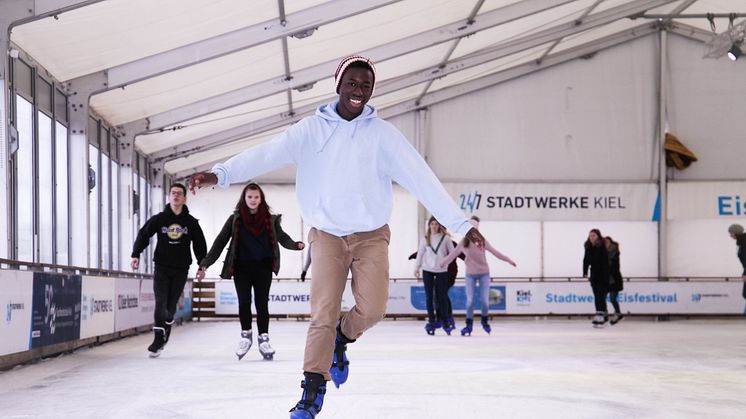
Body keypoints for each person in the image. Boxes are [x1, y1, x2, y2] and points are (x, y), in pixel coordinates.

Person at [187, 55, 484, 419]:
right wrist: (221, 174)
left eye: (365, 85)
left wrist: (462, 224)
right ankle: (311, 393)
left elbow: (422, 179)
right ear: (338, 85)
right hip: (326, 235)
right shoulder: (309, 130)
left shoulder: (384, 136)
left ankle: (342, 337)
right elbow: (265, 154)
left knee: (373, 309)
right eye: (352, 83)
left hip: (371, 235)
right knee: (322, 313)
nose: (358, 91)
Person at [196, 183, 304, 361]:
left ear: (261, 199)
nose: (253, 200)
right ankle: (246, 335)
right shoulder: (235, 220)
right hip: (241, 268)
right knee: (244, 302)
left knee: (262, 304)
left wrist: (295, 245)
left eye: (256, 197)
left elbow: (282, 237)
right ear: (244, 199)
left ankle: (264, 339)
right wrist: (205, 264)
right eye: (250, 197)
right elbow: (220, 241)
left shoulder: (270, 220)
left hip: (263, 267)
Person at [131, 183, 207, 357]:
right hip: (162, 267)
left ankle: (166, 328)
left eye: (179, 194)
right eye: (173, 193)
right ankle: (158, 339)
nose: (176, 196)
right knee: (160, 302)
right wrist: (135, 254)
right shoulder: (159, 219)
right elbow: (144, 235)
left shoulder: (191, 222)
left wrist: (202, 266)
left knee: (170, 307)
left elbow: (200, 245)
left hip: (181, 269)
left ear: (185, 198)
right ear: (169, 197)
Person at [439, 216, 516, 336]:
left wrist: (508, 260)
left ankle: (484, 321)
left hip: (484, 274)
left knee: (485, 301)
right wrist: (443, 262)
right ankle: (468, 325)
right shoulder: (463, 243)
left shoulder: (482, 241)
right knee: (470, 301)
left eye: (475, 228)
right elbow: (452, 255)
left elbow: (496, 253)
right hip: (470, 275)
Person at [414, 217, 456, 335]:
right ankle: (431, 320)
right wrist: (416, 268)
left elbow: (452, 254)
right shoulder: (425, 238)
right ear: (429, 225)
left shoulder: (446, 239)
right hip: (427, 270)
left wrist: (445, 262)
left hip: (442, 271)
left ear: (439, 225)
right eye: (432, 224)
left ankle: (445, 321)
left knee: (441, 297)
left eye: (436, 224)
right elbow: (420, 254)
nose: (434, 226)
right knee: (429, 297)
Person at [408, 240, 463, 330]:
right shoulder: (432, 240)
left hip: (450, 272)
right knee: (437, 294)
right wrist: (415, 255)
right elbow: (426, 250)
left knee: (441, 294)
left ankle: (447, 318)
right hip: (438, 272)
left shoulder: (450, 242)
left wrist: (472, 261)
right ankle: (441, 318)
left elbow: (460, 253)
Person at [583, 228, 609, 327]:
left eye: (593, 235)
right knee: (596, 295)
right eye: (590, 236)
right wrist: (585, 272)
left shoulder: (601, 247)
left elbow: (605, 263)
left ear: (598, 236)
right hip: (594, 275)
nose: (591, 237)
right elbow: (585, 260)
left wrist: (606, 277)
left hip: (602, 275)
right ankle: (601, 315)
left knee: (600, 296)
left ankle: (601, 316)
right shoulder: (588, 247)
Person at [604, 236, 624, 325]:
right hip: (605, 280)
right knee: (602, 298)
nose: (606, 244)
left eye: (608, 242)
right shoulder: (602, 253)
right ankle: (605, 314)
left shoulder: (615, 253)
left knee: (612, 298)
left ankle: (618, 313)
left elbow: (614, 267)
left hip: (614, 280)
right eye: (605, 242)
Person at [728, 224, 746, 302]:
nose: (730, 236)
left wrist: (745, 273)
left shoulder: (744, 243)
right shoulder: (741, 242)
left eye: (731, 233)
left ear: (735, 233)